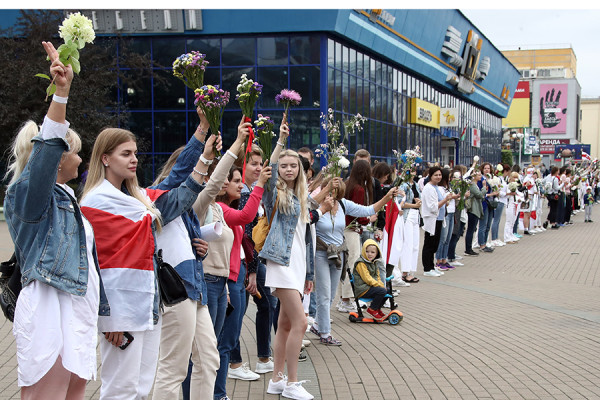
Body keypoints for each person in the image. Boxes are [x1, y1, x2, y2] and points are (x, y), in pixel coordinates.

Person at [80, 106, 212, 400]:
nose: (134, 159)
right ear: (105, 158)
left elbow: (180, 185)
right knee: (120, 389)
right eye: (125, 154)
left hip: (147, 302)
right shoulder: (96, 201)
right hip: (122, 309)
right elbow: (96, 263)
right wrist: (109, 318)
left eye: (135, 153)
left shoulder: (137, 198)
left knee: (141, 387)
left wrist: (202, 134)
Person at [3, 42, 108, 400]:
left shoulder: (67, 199)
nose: (80, 158)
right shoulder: (29, 196)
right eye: (74, 150)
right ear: (58, 159)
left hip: (77, 311)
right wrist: (61, 94)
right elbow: (45, 152)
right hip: (51, 310)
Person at [151, 114, 223, 400]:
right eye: (201, 172)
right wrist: (202, 132)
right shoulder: (160, 197)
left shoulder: (188, 208)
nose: (202, 179)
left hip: (194, 287)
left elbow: (180, 243)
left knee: (209, 360)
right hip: (175, 290)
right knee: (173, 369)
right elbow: (183, 174)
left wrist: (199, 250)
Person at [262, 116, 332, 400]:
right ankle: (291, 383)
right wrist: (279, 141)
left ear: (300, 171)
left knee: (286, 324)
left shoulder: (299, 195)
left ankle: (277, 380)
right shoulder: (274, 192)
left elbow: (305, 237)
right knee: (301, 323)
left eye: (293, 166)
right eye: (284, 166)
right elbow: (268, 168)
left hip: (297, 264)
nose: (289, 169)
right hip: (280, 263)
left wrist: (309, 275)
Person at [310, 177, 397, 345]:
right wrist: (323, 201)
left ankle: (318, 325)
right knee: (324, 293)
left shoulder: (343, 204)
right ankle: (325, 332)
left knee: (331, 293)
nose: (332, 194)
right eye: (329, 189)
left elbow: (368, 210)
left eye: (335, 190)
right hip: (321, 253)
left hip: (339, 254)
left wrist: (386, 198)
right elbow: (306, 206)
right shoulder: (316, 205)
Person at [213, 164, 271, 399]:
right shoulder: (220, 209)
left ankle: (219, 393)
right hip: (225, 280)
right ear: (222, 184)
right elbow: (246, 217)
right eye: (235, 181)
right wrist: (260, 186)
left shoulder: (229, 207)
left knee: (228, 338)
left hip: (237, 276)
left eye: (240, 180)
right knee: (223, 341)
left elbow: (245, 242)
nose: (240, 185)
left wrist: (250, 270)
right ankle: (218, 394)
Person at [235, 145, 278, 375]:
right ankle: (235, 363)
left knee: (267, 304)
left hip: (253, 260)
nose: (258, 168)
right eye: (253, 163)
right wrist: (251, 270)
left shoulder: (252, 189)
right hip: (244, 261)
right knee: (238, 311)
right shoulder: (243, 192)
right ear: (242, 165)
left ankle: (263, 357)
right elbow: (246, 234)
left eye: (260, 164)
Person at [421, 167, 456, 277]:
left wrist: (446, 201)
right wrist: (445, 200)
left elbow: (440, 203)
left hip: (439, 219)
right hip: (432, 219)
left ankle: (431, 267)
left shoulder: (436, 187)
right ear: (430, 176)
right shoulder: (428, 188)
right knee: (429, 244)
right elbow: (432, 207)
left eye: (440, 175)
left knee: (435, 244)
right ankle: (427, 268)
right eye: (436, 175)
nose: (438, 177)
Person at [352, 239, 387, 320]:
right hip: (362, 289)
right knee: (382, 291)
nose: (369, 254)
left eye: (372, 252)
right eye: (367, 251)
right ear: (363, 251)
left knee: (387, 290)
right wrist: (378, 285)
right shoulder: (361, 263)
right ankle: (372, 309)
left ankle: (377, 308)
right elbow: (367, 278)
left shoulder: (374, 262)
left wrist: (381, 285)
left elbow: (377, 276)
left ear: (377, 253)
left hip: (369, 287)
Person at [435, 168, 457, 271]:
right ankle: (438, 260)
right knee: (442, 238)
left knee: (448, 238)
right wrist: (451, 197)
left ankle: (444, 259)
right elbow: (444, 199)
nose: (450, 179)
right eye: (449, 177)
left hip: (452, 212)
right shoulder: (440, 188)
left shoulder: (449, 187)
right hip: (445, 213)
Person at [465, 170, 485, 256]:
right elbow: (479, 195)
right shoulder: (472, 185)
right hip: (473, 209)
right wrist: (484, 188)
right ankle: (468, 249)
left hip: (476, 208)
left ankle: (469, 248)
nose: (481, 177)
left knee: (472, 229)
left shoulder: (475, 185)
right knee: (470, 229)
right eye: (479, 175)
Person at [477, 163, 497, 251]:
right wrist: (490, 194)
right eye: (485, 168)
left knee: (488, 225)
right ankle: (481, 244)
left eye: (488, 168)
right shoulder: (481, 180)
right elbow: (481, 193)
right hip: (484, 203)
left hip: (491, 203)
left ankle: (485, 243)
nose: (486, 170)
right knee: (483, 225)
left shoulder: (492, 179)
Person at [490, 163, 510, 247]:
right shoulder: (498, 179)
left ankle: (496, 237)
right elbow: (497, 191)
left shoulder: (502, 179)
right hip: (499, 200)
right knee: (496, 220)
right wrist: (506, 193)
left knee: (498, 221)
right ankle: (494, 238)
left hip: (502, 201)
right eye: (508, 171)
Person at [504, 172, 523, 244]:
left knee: (513, 221)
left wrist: (520, 197)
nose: (515, 179)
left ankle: (511, 235)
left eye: (516, 177)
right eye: (514, 177)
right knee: (509, 221)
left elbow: (518, 193)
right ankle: (507, 237)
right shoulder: (508, 185)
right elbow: (507, 195)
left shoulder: (515, 186)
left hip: (515, 204)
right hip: (510, 204)